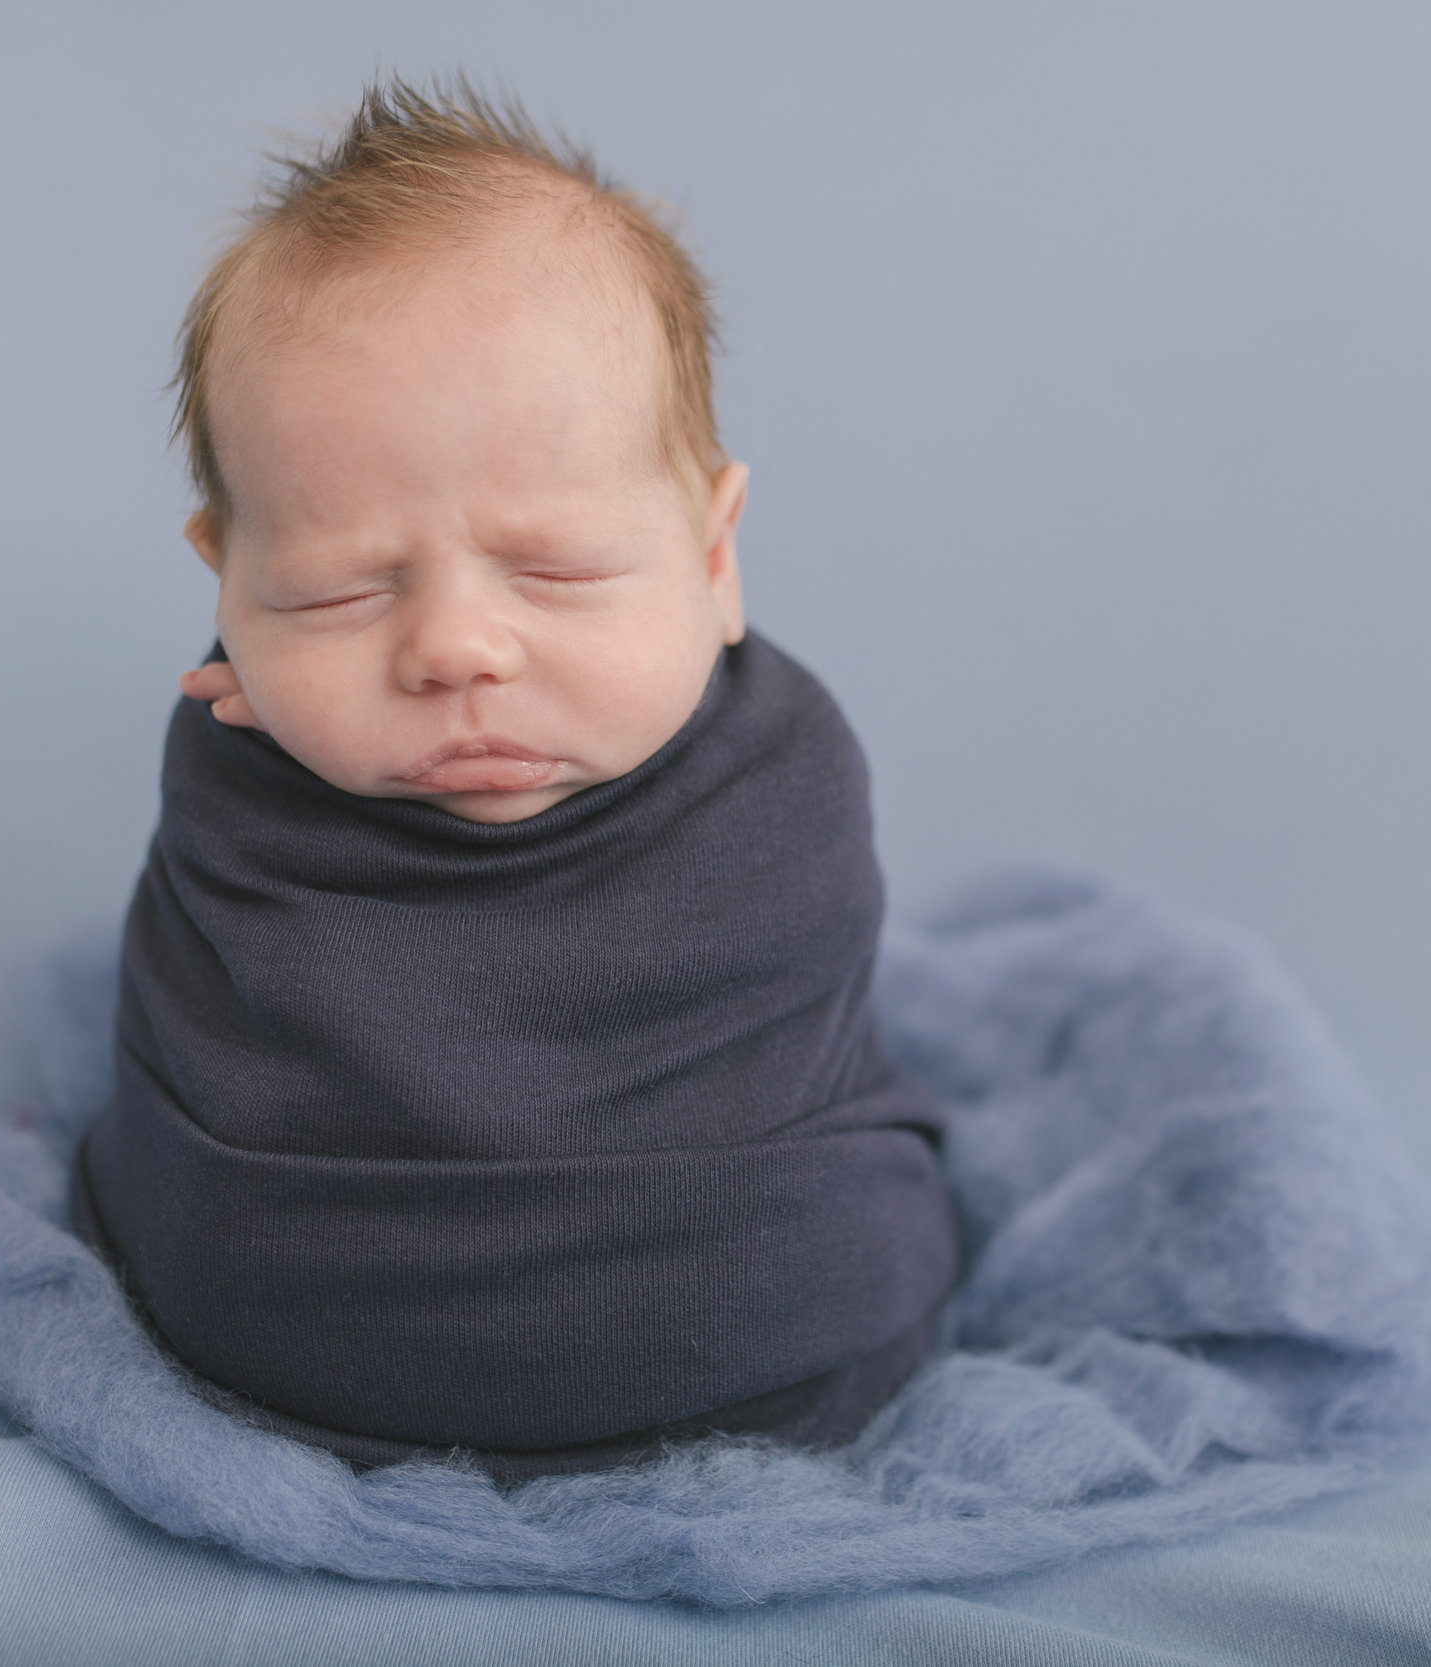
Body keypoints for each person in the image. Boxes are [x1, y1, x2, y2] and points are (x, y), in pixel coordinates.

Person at [71, 76, 960, 1481]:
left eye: (555, 572)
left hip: (723, 1345)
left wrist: (301, 671)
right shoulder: (238, 773)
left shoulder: (783, 776)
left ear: (714, 557)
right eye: (335, 597)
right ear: (225, 583)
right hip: (776, 1360)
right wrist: (272, 737)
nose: (455, 649)